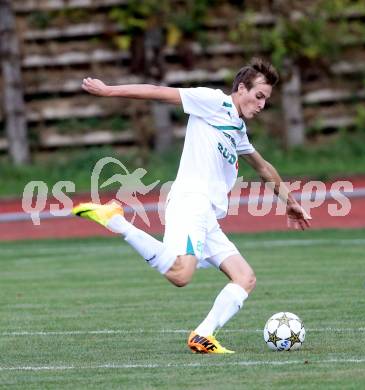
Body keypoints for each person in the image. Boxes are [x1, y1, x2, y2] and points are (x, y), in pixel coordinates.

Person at [72, 57, 311, 354]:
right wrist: (109, 91)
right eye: (259, 96)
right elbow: (159, 91)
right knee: (181, 274)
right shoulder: (212, 102)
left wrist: (290, 202)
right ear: (240, 89)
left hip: (207, 215)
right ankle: (116, 220)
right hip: (190, 201)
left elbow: (263, 167)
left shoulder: (236, 129)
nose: (262, 104)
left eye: (266, 100)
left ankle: (203, 335)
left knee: (244, 277)